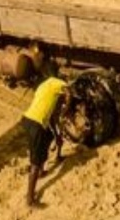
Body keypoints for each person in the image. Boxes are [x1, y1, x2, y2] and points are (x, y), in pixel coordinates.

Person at [22, 74, 68, 207]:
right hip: (36, 124)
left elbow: (51, 119)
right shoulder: (56, 82)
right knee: (35, 163)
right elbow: (68, 91)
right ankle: (30, 199)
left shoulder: (44, 87)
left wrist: (57, 135)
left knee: (48, 136)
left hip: (28, 120)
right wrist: (66, 109)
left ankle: (42, 170)